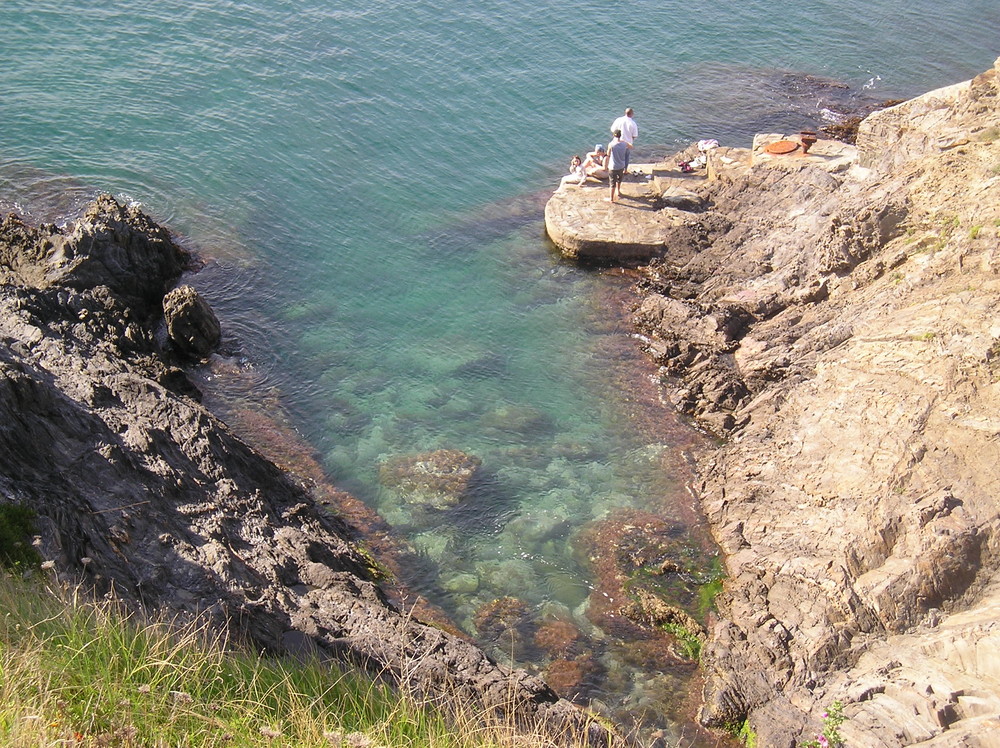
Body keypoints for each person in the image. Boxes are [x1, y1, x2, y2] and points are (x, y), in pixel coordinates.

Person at [606, 129, 632, 203]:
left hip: (613, 166)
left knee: (612, 183)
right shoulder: (624, 144)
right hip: (621, 165)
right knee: (619, 179)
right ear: (620, 136)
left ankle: (611, 199)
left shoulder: (611, 144)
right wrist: (624, 142)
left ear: (613, 135)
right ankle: (618, 192)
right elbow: (631, 147)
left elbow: (608, 154)